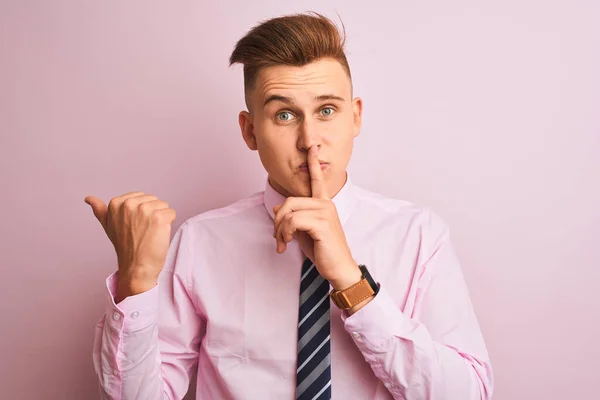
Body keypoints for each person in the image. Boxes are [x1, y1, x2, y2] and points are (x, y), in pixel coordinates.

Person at [86, 12, 493, 400]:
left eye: (327, 110)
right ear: (250, 131)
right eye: (284, 115)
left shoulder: (419, 235)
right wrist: (137, 280)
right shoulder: (201, 241)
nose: (309, 139)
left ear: (355, 118)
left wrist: (353, 284)